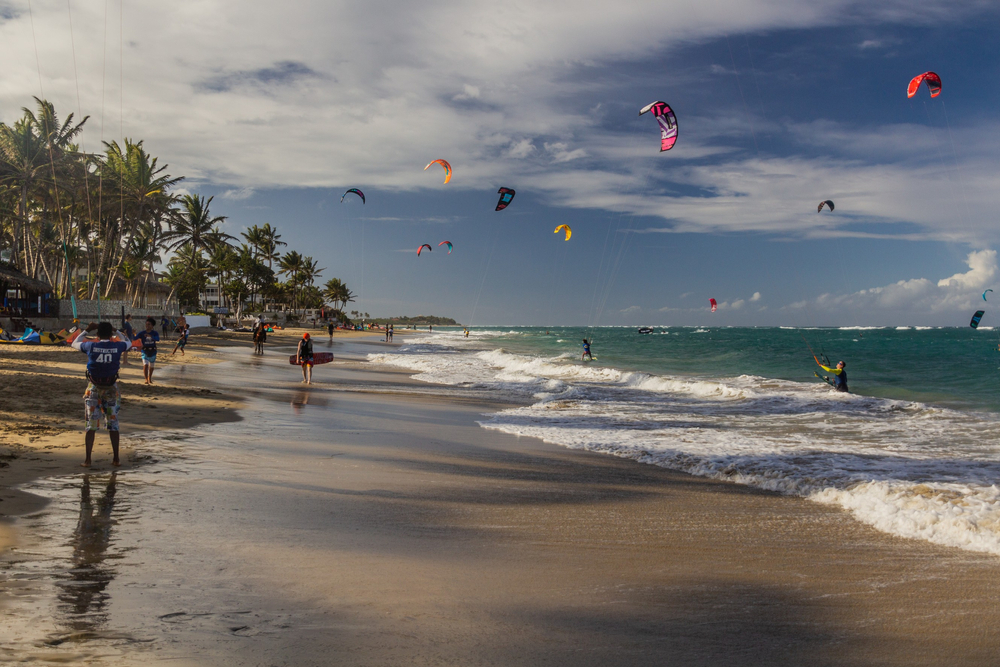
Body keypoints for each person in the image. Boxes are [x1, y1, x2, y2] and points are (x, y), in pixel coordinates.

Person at [73, 322, 131, 467]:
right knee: (113, 424)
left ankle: (87, 460)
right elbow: (128, 342)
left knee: (91, 425)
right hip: (111, 388)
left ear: (97, 335)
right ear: (111, 334)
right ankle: (116, 459)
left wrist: (87, 330)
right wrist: (116, 330)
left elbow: (75, 343)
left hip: (94, 388)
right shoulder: (117, 346)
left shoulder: (91, 346)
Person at [135, 316, 160, 385]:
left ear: (152, 326)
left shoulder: (155, 333)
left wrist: (151, 336)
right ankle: (146, 379)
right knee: (145, 365)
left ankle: (150, 378)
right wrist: (131, 333)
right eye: (146, 324)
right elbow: (135, 338)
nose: (147, 326)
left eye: (149, 324)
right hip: (144, 351)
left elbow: (158, 339)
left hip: (153, 351)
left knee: (151, 366)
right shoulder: (142, 333)